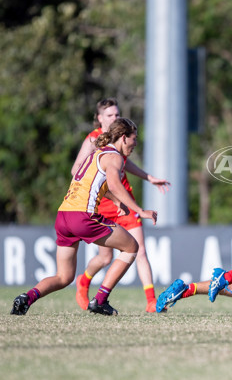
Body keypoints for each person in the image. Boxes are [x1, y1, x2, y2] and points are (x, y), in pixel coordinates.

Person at [11, 118, 158, 316]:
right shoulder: (114, 157)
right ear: (124, 138)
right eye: (134, 138)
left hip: (63, 216)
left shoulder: (97, 154)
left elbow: (94, 184)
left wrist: (115, 201)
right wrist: (140, 211)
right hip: (83, 216)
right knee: (132, 247)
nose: (136, 143)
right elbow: (114, 184)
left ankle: (27, 298)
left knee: (64, 277)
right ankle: (100, 300)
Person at [72, 98, 170, 313]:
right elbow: (76, 170)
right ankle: (84, 280)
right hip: (103, 203)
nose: (114, 118)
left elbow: (126, 162)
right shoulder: (93, 140)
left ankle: (151, 301)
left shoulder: (121, 142)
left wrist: (149, 178)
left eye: (116, 115)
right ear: (100, 118)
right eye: (109, 115)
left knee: (140, 249)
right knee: (105, 257)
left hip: (125, 201)